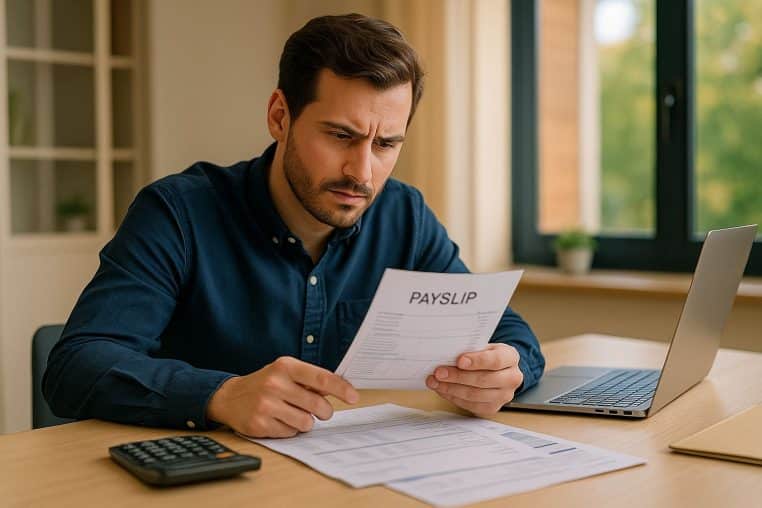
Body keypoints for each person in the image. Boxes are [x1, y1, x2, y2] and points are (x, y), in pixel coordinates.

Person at [43, 13, 544, 438]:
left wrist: (507, 369)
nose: (362, 172)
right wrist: (220, 395)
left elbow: (506, 329)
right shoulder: (178, 213)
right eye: (340, 136)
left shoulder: (403, 215)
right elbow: (77, 365)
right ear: (280, 116)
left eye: (386, 144)